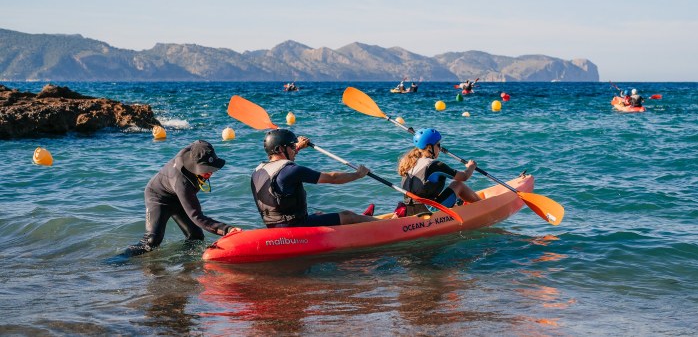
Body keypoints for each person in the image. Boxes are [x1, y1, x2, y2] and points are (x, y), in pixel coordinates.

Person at [126, 140, 241, 256]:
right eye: (205, 169)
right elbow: (197, 217)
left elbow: (199, 143)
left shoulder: (196, 151)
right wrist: (228, 229)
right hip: (158, 197)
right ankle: (115, 262)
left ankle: (185, 266)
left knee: (196, 237)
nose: (209, 173)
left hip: (177, 196)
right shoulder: (183, 182)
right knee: (151, 241)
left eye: (210, 168)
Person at [251, 129, 381, 227]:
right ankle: (387, 224)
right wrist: (358, 174)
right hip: (296, 226)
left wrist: (297, 146)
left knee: (319, 215)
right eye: (291, 147)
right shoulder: (291, 170)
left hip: (274, 226)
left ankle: (364, 220)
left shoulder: (258, 171)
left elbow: (280, 172)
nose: (294, 150)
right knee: (348, 216)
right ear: (280, 149)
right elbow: (332, 178)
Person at [396, 128, 481, 217]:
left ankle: (458, 204)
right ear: (429, 147)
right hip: (428, 211)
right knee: (457, 185)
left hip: (408, 210)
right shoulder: (435, 165)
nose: (440, 148)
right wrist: (471, 166)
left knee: (442, 192)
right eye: (438, 145)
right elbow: (464, 176)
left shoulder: (410, 164)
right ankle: (483, 205)